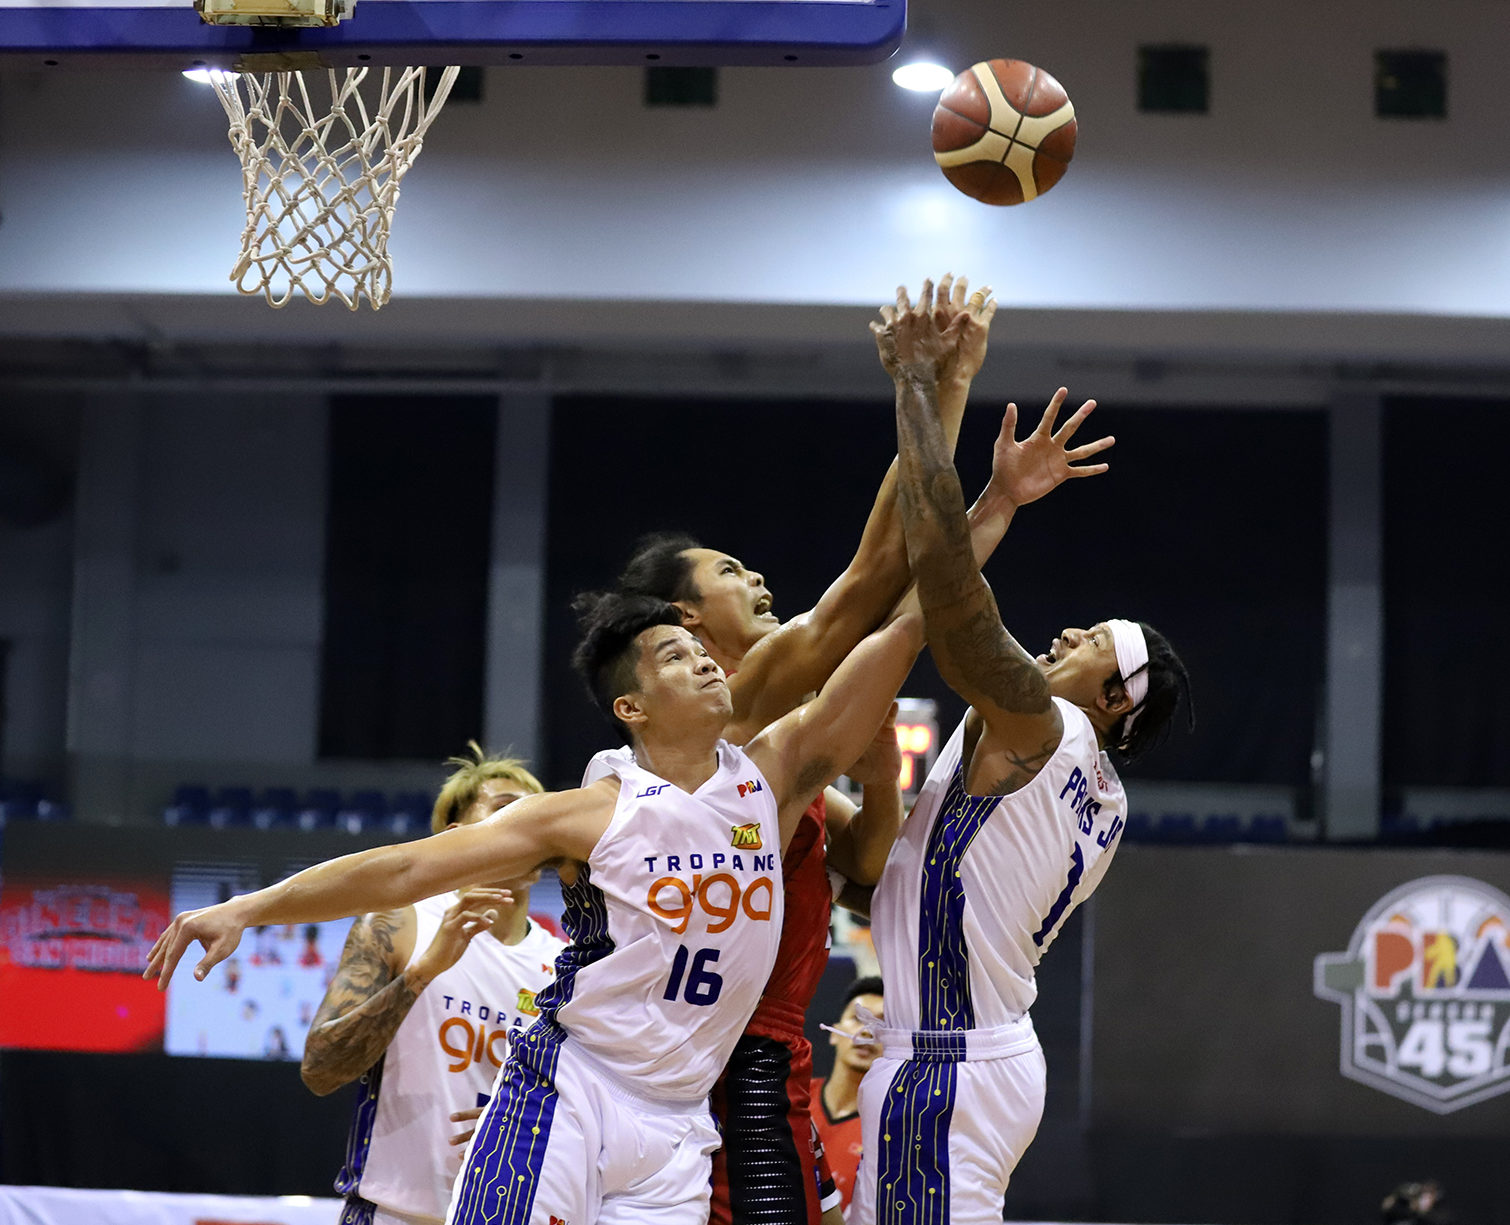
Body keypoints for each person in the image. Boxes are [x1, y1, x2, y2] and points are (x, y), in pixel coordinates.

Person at [147, 587, 927, 1225]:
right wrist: (250, 906)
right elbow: (405, 867)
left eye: (698, 649)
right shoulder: (594, 811)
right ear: (631, 706)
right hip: (574, 1091)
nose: (701, 659)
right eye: (673, 654)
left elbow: (900, 628)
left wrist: (982, 509)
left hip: (678, 1123)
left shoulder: (774, 777)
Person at [615, 275, 1109, 1225]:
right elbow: (881, 581)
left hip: (753, 1053)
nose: (758, 577)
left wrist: (881, 783)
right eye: (730, 572)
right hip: (713, 1056)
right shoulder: (729, 712)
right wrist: (941, 384)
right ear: (685, 619)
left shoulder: (766, 750)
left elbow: (866, 869)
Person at [846, 282, 1192, 1225]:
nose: (1070, 631)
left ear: (1113, 700)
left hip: (948, 1062)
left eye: (1094, 640)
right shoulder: (1104, 800)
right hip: (981, 1057)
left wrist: (919, 389)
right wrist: (999, 496)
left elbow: (950, 602)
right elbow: (931, 880)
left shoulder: (1048, 730)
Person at [300, 745, 566, 1225]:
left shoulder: (566, 964)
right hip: (394, 1212)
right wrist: (424, 971)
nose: (529, 828)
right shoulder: (401, 922)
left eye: (537, 816)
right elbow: (320, 1069)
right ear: (457, 837)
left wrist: (520, 1122)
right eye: (508, 810)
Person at [810, 976, 884, 1215]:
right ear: (834, 1032)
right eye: (858, 1018)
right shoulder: (792, 1099)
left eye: (882, 1024)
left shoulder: (894, 1127)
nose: (867, 1032)